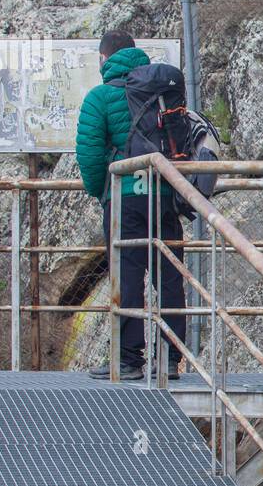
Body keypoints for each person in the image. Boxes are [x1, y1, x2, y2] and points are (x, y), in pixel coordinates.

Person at [76, 30, 186, 381]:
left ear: (104, 59)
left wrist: (102, 191)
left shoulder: (101, 97)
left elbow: (90, 156)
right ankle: (168, 359)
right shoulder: (162, 91)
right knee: (168, 276)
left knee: (127, 276)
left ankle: (127, 360)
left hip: (125, 199)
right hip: (165, 194)